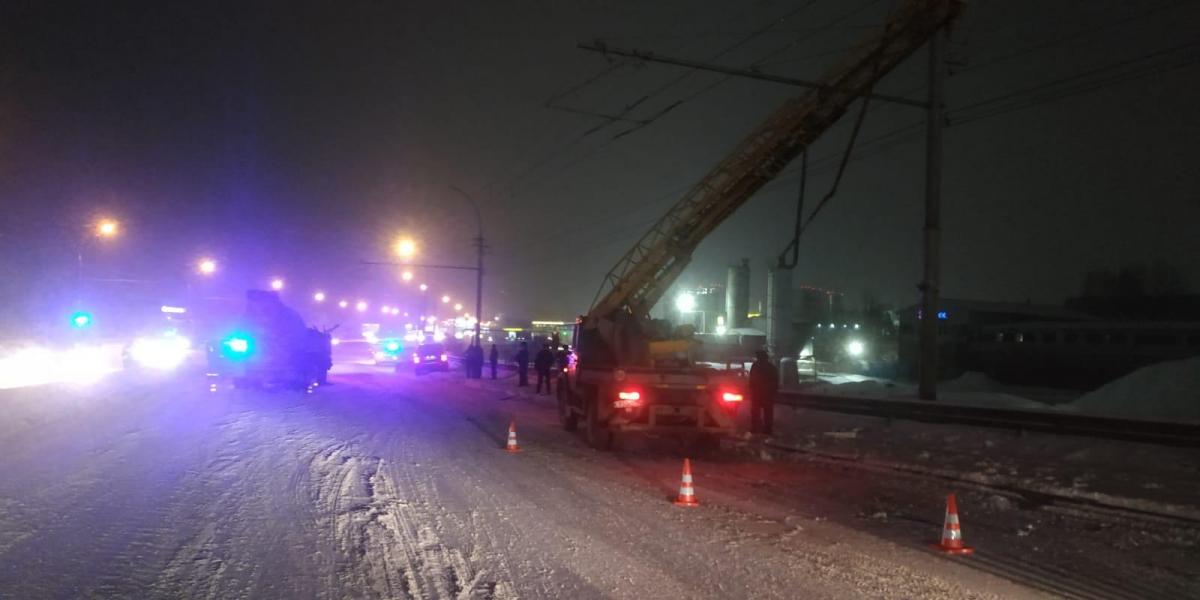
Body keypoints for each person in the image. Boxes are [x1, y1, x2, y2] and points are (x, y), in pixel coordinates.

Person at [749, 349, 779, 435]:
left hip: (757, 393)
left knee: (755, 411)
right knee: (768, 412)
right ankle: (767, 429)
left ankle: (755, 428)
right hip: (767, 393)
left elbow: (751, 379)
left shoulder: (755, 366)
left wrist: (751, 390)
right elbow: (775, 381)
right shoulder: (771, 367)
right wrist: (773, 392)